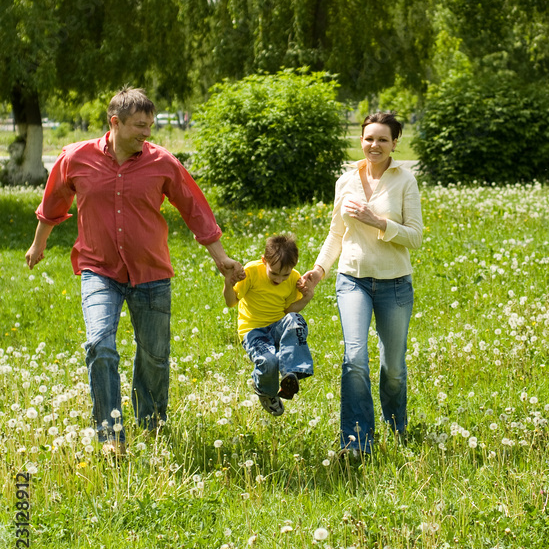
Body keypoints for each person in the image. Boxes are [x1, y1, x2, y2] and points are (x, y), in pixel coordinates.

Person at [25, 87, 245, 456]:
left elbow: (195, 209)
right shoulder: (75, 157)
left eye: (150, 125)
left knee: (154, 356)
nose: (147, 132)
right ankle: (110, 434)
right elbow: (54, 201)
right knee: (100, 345)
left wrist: (219, 257)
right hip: (99, 269)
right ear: (116, 122)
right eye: (140, 125)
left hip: (151, 271)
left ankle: (152, 424)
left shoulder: (162, 162)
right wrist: (39, 242)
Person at [299, 112, 422, 456]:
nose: (375, 145)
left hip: (395, 284)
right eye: (369, 138)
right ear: (361, 140)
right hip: (352, 281)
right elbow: (337, 233)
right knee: (354, 357)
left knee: (393, 368)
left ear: (395, 143)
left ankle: (395, 425)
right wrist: (319, 271)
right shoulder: (346, 182)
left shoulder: (405, 181)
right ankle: (356, 441)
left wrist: (378, 221)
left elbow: (415, 237)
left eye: (383, 139)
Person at [225, 234, 314, 416]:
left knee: (295, 320)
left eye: (285, 274)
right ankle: (265, 391)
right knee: (269, 362)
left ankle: (290, 372)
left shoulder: (293, 278)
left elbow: (289, 310)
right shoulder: (251, 272)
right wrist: (228, 282)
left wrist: (307, 297)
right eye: (274, 273)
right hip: (253, 332)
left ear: (294, 267)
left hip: (277, 326)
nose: (279, 279)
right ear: (264, 261)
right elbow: (231, 302)